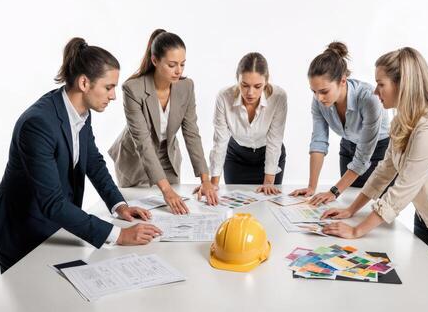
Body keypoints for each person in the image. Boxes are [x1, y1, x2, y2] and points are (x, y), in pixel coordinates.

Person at [0, 38, 162, 273]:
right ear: (84, 83)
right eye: (109, 87)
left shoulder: (82, 111)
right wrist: (118, 235)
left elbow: (93, 162)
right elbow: (52, 203)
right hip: (22, 234)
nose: (113, 96)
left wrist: (119, 205)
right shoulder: (38, 124)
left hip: (53, 228)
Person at [321, 47, 428, 282]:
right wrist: (351, 210)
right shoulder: (403, 120)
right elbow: (384, 171)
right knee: (424, 284)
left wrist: (357, 230)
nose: (375, 90)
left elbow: (402, 189)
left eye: (381, 84)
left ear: (403, 84)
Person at [109, 29, 218, 214]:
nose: (179, 71)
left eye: (182, 64)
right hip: (135, 157)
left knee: (171, 210)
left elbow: (192, 133)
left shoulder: (186, 87)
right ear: (155, 61)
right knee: (140, 211)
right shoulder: (132, 89)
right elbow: (143, 142)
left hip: (168, 154)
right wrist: (166, 190)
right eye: (172, 65)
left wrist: (205, 180)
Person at [290, 42, 390, 204]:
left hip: (379, 151)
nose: (318, 98)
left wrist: (333, 191)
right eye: (314, 91)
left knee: (376, 209)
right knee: (348, 203)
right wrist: (311, 187)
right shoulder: (318, 101)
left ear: (343, 81)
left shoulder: (369, 98)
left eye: (324, 91)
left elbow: (363, 157)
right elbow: (319, 142)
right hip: (349, 147)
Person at [206, 52, 287, 195]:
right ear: (237, 79)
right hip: (237, 157)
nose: (250, 93)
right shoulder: (224, 97)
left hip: (268, 155)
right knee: (237, 208)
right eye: (244, 85)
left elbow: (275, 140)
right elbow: (220, 141)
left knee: (268, 204)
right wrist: (213, 184)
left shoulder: (278, 97)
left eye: (257, 86)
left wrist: (268, 182)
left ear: (266, 81)